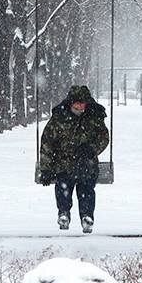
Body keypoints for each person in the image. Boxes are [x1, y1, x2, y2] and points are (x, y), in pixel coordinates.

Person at [38, 85, 110, 233]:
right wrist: (46, 168)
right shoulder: (59, 118)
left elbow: (103, 138)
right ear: (70, 102)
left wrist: (91, 150)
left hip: (86, 162)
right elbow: (47, 142)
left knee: (86, 187)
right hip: (63, 162)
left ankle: (87, 216)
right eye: (77, 102)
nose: (80, 106)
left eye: (83, 103)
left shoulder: (94, 116)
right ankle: (64, 213)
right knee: (63, 184)